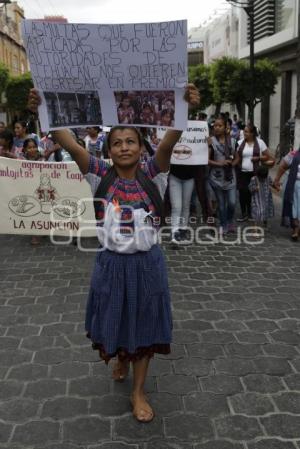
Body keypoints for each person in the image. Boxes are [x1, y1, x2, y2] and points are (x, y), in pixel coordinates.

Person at [28, 84, 200, 423]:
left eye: (131, 141)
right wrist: (41, 110)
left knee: (145, 324)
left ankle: (138, 391)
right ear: (108, 149)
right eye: (117, 142)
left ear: (141, 147)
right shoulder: (98, 175)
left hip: (148, 266)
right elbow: (69, 143)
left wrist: (186, 108)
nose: (124, 147)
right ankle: (121, 357)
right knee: (116, 319)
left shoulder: (155, 173)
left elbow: (169, 141)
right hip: (110, 266)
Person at [208, 116, 238, 234]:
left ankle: (230, 220)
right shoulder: (211, 141)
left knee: (232, 202)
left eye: (220, 126)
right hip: (216, 177)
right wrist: (220, 164)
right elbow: (207, 160)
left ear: (226, 127)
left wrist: (232, 164)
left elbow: (237, 157)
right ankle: (223, 224)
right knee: (221, 204)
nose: (217, 128)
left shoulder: (233, 141)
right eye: (215, 125)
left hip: (230, 177)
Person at [235, 124, 270, 221]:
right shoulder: (240, 143)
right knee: (242, 193)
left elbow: (267, 156)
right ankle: (244, 214)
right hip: (242, 172)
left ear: (252, 133)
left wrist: (258, 158)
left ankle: (251, 214)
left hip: (254, 174)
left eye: (246, 131)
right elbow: (236, 157)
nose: (244, 133)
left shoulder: (260, 143)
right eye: (244, 131)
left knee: (252, 193)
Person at [274, 147, 300, 241]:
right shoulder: (294, 155)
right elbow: (282, 167)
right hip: (294, 185)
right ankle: (296, 230)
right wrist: (276, 180)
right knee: (294, 208)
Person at [248, 165, 274, 235]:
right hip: (256, 199)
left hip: (266, 198)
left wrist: (275, 186)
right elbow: (250, 188)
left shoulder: (268, 178)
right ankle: (255, 230)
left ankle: (265, 223)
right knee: (256, 213)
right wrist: (255, 188)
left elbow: (272, 183)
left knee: (266, 211)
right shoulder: (254, 179)